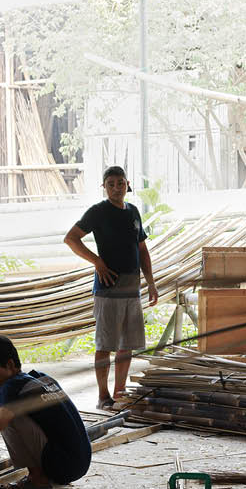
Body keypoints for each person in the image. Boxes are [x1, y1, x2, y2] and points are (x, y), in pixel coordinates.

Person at [0, 336, 91, 489]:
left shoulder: (12, 385)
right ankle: (45, 473)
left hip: (64, 467)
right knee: (9, 413)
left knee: (7, 417)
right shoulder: (42, 377)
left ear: (9, 365)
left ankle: (37, 479)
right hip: (81, 464)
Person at [64, 166, 158, 410]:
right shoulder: (98, 212)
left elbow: (142, 250)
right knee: (105, 345)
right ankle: (103, 396)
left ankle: (119, 393)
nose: (116, 188)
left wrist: (150, 283)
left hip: (132, 289)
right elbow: (71, 238)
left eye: (120, 183)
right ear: (104, 187)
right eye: (111, 184)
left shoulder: (133, 212)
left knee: (126, 346)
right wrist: (97, 262)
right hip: (108, 289)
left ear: (128, 184)